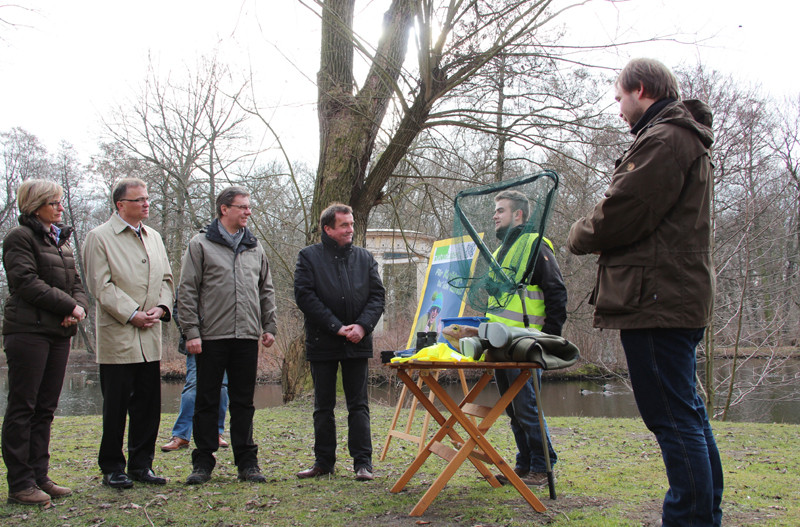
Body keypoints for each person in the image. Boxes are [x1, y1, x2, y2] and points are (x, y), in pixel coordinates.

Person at [567, 58, 723, 526]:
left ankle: (691, 518)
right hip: (670, 297)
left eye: (618, 98)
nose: (618, 110)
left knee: (673, 419)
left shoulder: (666, 139)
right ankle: (704, 512)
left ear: (640, 89)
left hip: (656, 300)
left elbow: (622, 212)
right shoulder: (678, 136)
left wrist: (578, 233)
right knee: (687, 413)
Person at [178, 186, 277, 485]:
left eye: (249, 207)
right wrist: (191, 331)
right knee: (206, 400)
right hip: (209, 337)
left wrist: (269, 326)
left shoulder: (255, 247)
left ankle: (247, 463)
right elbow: (187, 291)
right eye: (243, 207)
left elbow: (266, 289)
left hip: (246, 336)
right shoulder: (200, 245)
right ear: (224, 209)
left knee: (243, 403)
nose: (248, 212)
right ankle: (203, 464)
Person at [2, 179, 89, 505]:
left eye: (60, 202)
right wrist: (68, 306)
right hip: (27, 332)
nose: (61, 207)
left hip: (57, 332)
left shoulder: (61, 242)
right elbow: (25, 282)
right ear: (35, 204)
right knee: (23, 406)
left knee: (45, 408)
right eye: (54, 202)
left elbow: (76, 282)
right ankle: (20, 484)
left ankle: (40, 476)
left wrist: (76, 309)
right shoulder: (19, 238)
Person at [83, 178, 174, 489]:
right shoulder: (99, 237)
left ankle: (141, 465)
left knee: (148, 406)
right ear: (120, 205)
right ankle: (112, 466)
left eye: (147, 199)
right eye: (138, 200)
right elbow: (101, 285)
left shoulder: (155, 237)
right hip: (119, 335)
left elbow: (166, 279)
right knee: (116, 406)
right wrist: (131, 313)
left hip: (150, 335)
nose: (146, 204)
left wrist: (161, 309)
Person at [294, 203, 385, 481]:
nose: (350, 230)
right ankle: (323, 462)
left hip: (358, 342)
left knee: (358, 405)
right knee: (323, 405)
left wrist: (362, 326)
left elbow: (377, 297)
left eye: (352, 224)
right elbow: (305, 297)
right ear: (328, 229)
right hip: (323, 341)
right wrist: (336, 327)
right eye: (344, 225)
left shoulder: (365, 258)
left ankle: (363, 464)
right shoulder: (308, 257)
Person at [486, 190, 566, 487]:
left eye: (501, 210)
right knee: (512, 408)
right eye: (495, 210)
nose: (495, 215)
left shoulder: (535, 246)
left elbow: (556, 292)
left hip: (527, 344)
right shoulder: (499, 252)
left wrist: (549, 341)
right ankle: (524, 463)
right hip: (499, 346)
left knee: (527, 406)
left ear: (518, 215)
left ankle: (543, 466)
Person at [160, 297, 230, 453]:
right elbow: (179, 307)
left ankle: (216, 433)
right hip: (196, 339)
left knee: (222, 387)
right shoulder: (191, 273)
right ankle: (181, 435)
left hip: (223, 338)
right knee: (193, 386)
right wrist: (190, 333)